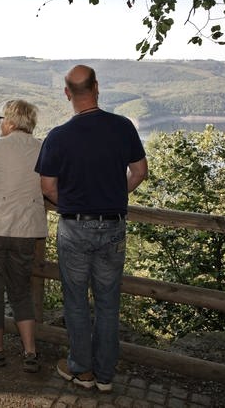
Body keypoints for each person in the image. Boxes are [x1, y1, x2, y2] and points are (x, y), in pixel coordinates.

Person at [35, 65, 148, 391]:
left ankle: (81, 370)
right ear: (96, 87)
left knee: (75, 301)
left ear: (67, 93)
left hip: (74, 227)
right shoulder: (122, 127)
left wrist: (74, 203)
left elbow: (47, 186)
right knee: (109, 303)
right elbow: (139, 172)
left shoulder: (58, 136)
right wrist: (112, 196)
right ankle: (106, 375)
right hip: (113, 227)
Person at [0, 100, 48, 373]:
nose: (0, 122)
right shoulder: (43, 148)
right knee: (21, 290)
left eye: (2, 117)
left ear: (12, 121)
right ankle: (30, 352)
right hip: (26, 230)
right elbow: (48, 186)